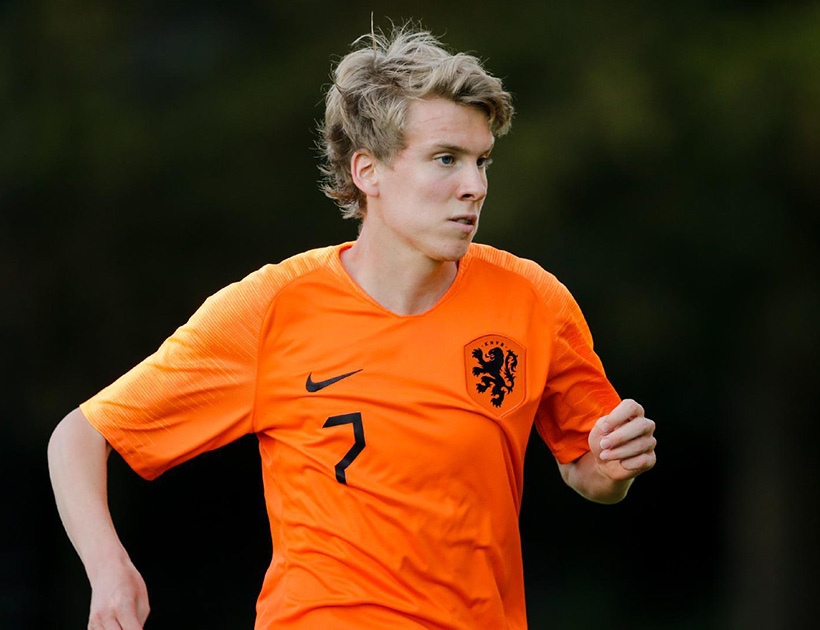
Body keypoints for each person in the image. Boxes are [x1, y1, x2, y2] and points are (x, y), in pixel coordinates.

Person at [47, 24, 657, 630]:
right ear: (368, 171)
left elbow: (588, 470)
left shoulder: (534, 301)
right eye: (446, 159)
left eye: (481, 161)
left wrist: (613, 465)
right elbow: (80, 436)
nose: (474, 186)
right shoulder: (272, 308)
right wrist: (109, 568)